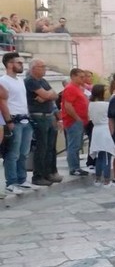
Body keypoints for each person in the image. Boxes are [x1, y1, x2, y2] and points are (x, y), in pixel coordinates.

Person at [1, 53, 35, 194]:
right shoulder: (3, 81)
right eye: (18, 62)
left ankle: (22, 179)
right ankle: (11, 181)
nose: (21, 64)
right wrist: (8, 120)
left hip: (25, 119)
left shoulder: (20, 80)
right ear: (10, 64)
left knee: (23, 152)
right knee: (12, 153)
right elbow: (3, 102)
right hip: (14, 120)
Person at [24, 58, 61, 188]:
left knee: (50, 147)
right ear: (33, 68)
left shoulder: (43, 81)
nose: (45, 68)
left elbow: (54, 95)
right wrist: (47, 95)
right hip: (39, 116)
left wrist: (47, 95)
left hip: (49, 115)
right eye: (42, 66)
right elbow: (46, 94)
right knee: (42, 147)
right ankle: (38, 175)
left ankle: (49, 172)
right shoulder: (30, 81)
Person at [88, 84, 115, 187]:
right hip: (105, 130)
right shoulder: (106, 105)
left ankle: (97, 178)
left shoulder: (91, 104)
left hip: (96, 130)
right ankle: (106, 180)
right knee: (106, 156)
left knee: (99, 156)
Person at [62, 68, 90, 176]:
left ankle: (76, 166)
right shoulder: (70, 88)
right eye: (80, 77)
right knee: (74, 145)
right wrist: (77, 118)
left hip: (79, 120)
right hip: (73, 121)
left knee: (77, 144)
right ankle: (74, 168)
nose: (83, 79)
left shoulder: (78, 88)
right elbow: (68, 106)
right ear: (73, 76)